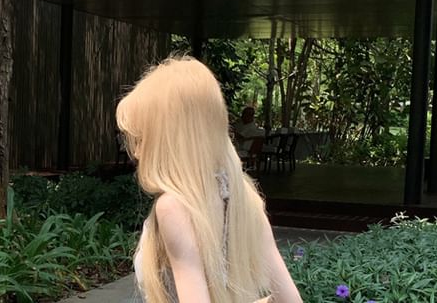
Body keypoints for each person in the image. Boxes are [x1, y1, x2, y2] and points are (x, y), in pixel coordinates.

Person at [116, 56, 303, 303]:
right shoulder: (245, 200)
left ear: (170, 138)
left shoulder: (175, 207)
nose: (137, 152)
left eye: (143, 137)